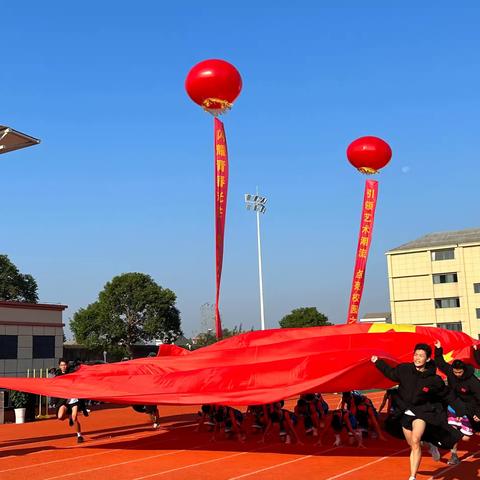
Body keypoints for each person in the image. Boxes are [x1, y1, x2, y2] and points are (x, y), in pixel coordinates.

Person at [372, 343, 466, 480]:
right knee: (413, 444)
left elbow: (447, 395)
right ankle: (430, 445)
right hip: (405, 412)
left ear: (427, 359)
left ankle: (412, 477)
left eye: (421, 356)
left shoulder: (433, 379)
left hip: (422, 412)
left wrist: (460, 410)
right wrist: (378, 362)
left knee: (415, 442)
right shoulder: (404, 370)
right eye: (416, 355)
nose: (417, 358)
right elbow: (391, 373)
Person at [434, 339, 480, 465]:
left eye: (460, 372)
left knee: (466, 437)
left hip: (472, 407)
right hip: (454, 406)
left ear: (464, 370)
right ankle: (453, 455)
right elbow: (440, 362)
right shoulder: (450, 371)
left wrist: (478, 413)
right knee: (452, 430)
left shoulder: (473, 381)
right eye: (455, 372)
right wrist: (438, 349)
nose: (457, 374)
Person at [54, 358, 85, 443]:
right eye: (61, 365)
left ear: (67, 365)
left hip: (74, 399)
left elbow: (78, 376)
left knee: (75, 417)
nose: (63, 367)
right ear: (59, 366)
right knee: (60, 417)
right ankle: (69, 417)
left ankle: (79, 435)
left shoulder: (71, 372)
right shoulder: (58, 375)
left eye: (64, 365)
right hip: (64, 400)